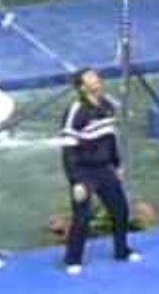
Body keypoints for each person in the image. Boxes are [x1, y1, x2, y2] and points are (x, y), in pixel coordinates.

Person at [60, 69, 141, 275]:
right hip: (84, 171)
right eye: (91, 80)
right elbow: (68, 148)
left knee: (120, 210)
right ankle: (73, 259)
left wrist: (117, 164)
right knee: (82, 217)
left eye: (97, 78)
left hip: (104, 168)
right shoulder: (76, 110)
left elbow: (110, 138)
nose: (97, 82)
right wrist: (76, 180)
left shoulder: (106, 106)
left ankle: (122, 251)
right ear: (82, 87)